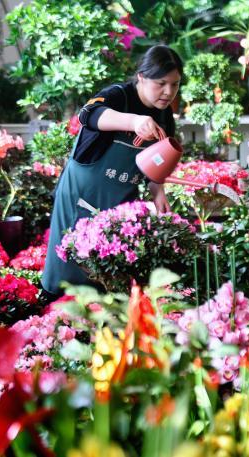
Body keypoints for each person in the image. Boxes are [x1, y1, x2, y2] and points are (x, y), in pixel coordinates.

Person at [41, 45, 183, 299]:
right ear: (141, 76)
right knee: (69, 267)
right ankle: (57, 322)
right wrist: (133, 121)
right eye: (161, 83)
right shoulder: (119, 95)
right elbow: (89, 114)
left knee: (110, 270)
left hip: (121, 200)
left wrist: (158, 190)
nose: (168, 92)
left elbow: (158, 160)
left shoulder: (165, 117)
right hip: (82, 194)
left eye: (174, 84)